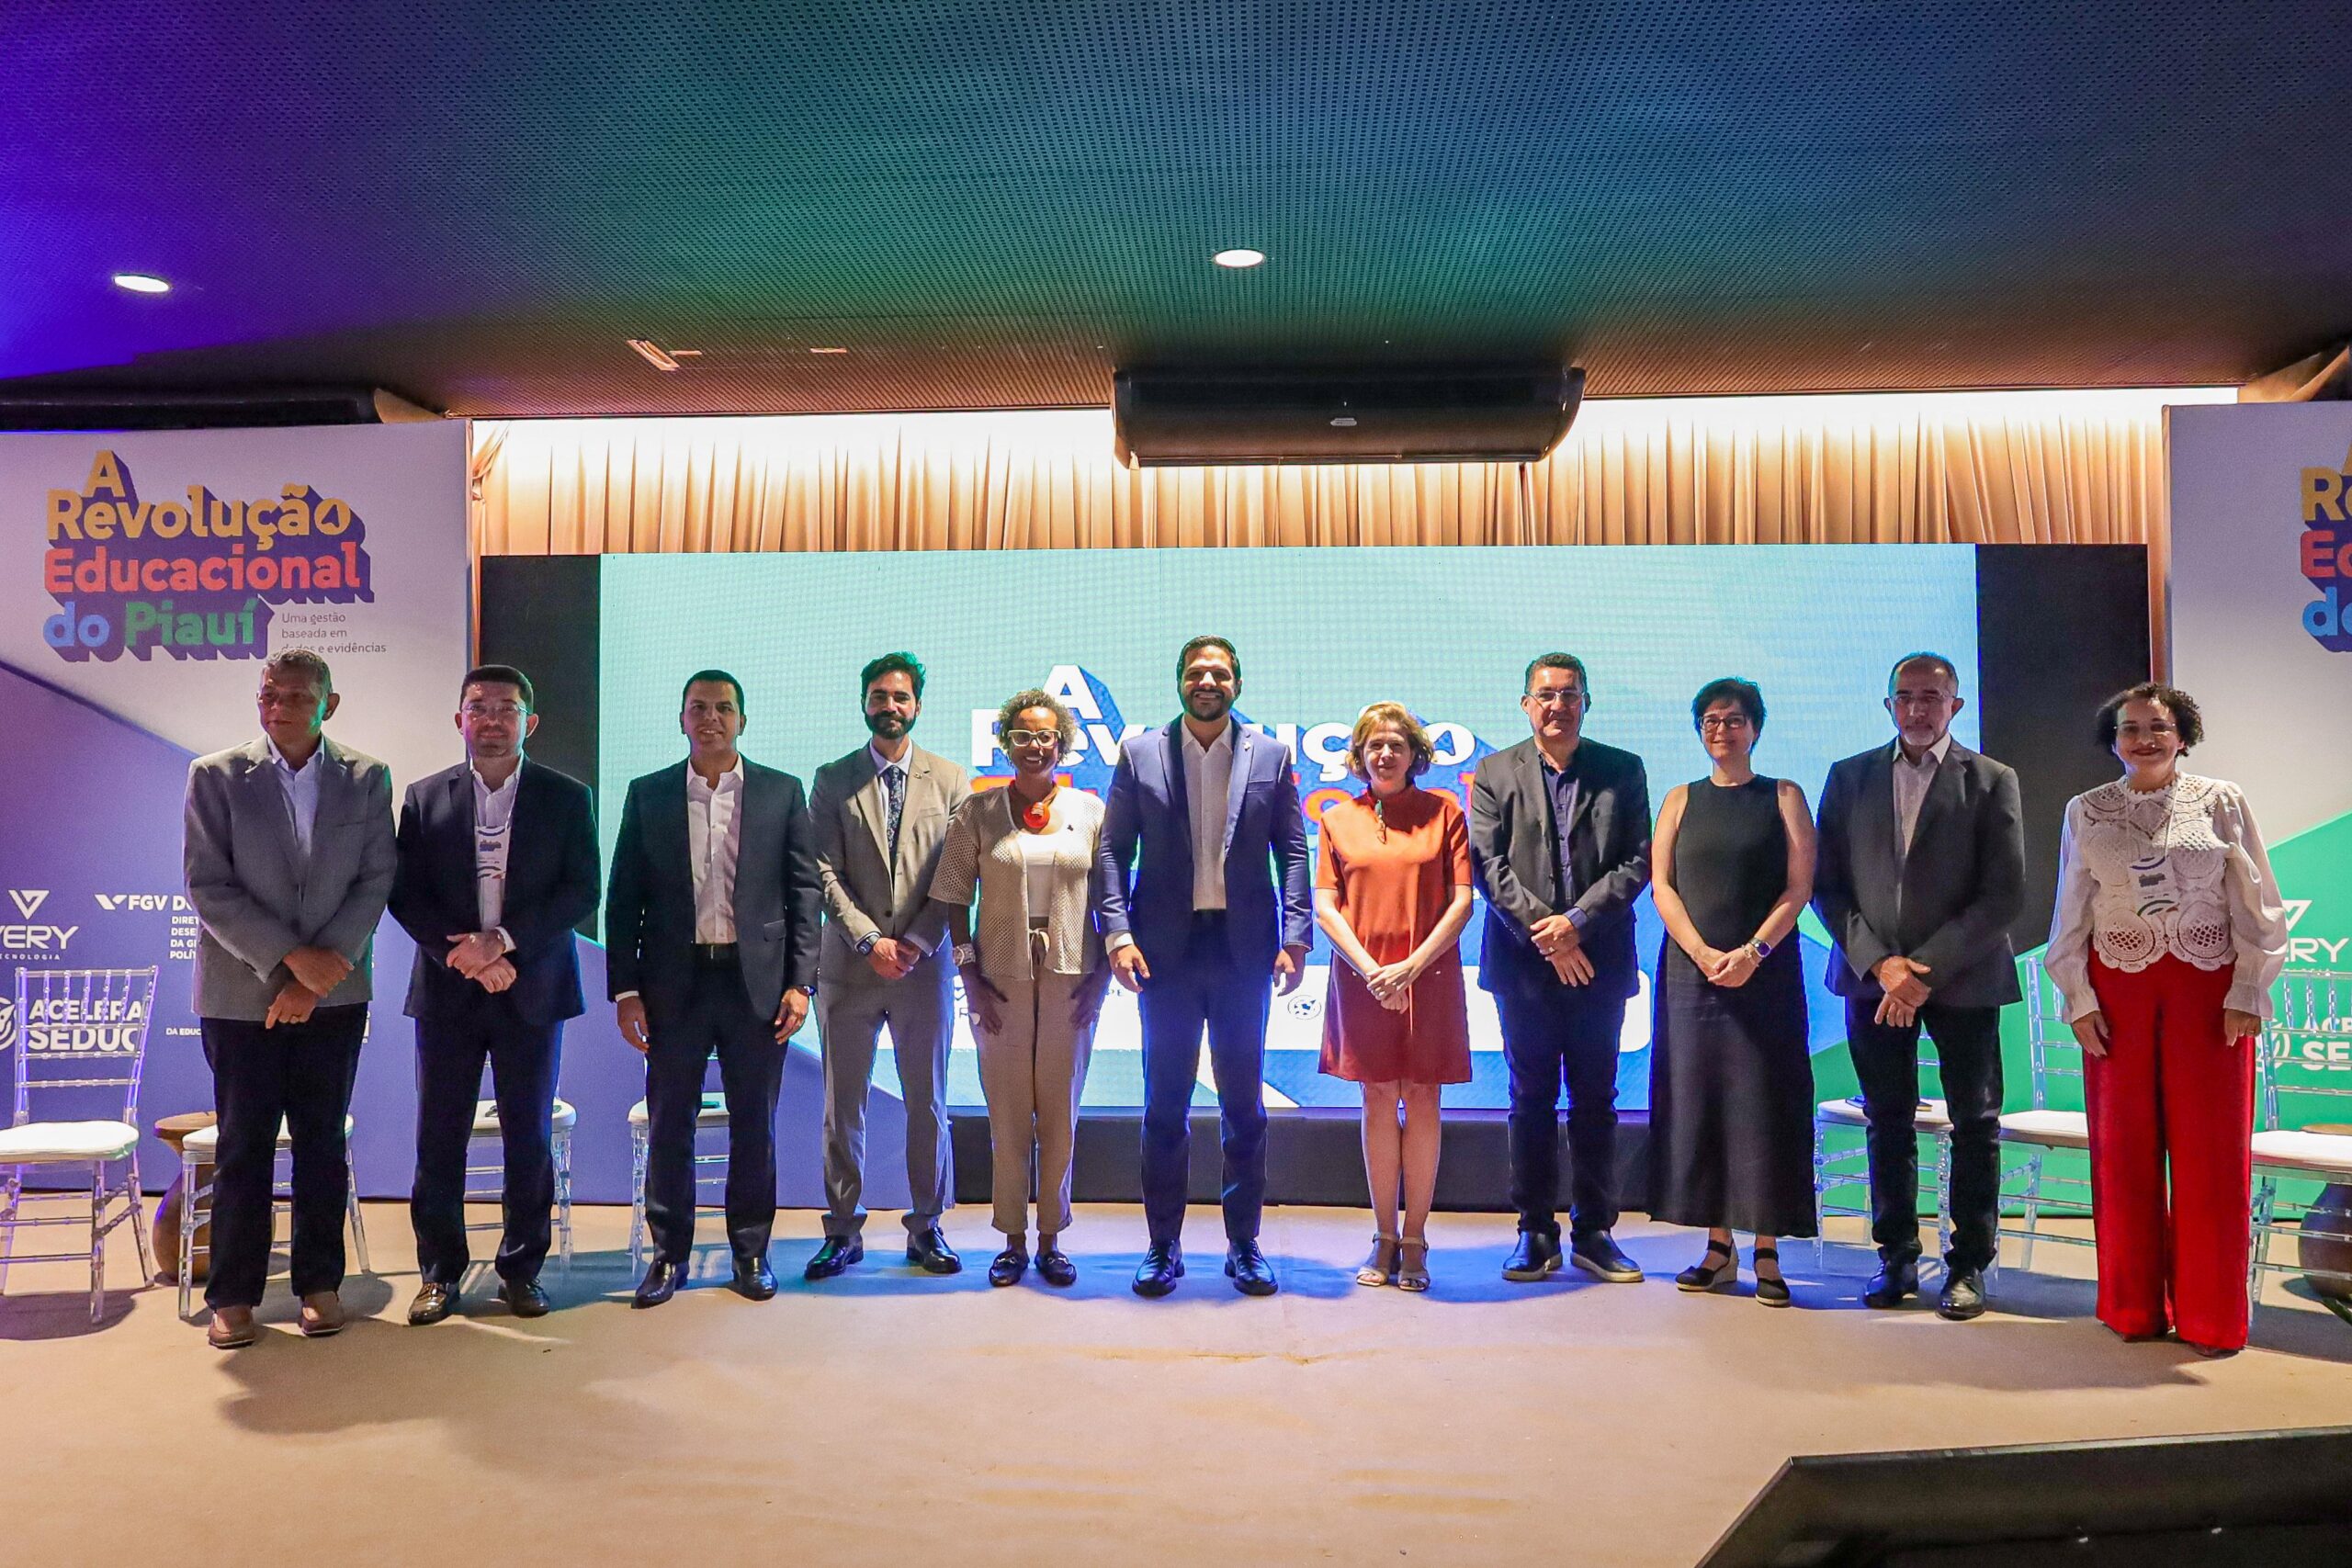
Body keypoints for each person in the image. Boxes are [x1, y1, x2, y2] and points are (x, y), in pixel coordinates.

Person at [2045, 682, 2289, 1357]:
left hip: (2209, 989)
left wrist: (2248, 987)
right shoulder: (2085, 809)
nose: (2144, 738)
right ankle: (2132, 1306)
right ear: (2113, 739)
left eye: (2158, 726)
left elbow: (2257, 899)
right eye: (2130, 728)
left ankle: (2212, 1318)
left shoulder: (2222, 800)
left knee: (2213, 1154)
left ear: (2183, 735)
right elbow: (2071, 907)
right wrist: (2078, 998)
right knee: (2122, 1149)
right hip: (2116, 989)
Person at [182, 649, 395, 1349]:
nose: (280, 707)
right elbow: (208, 885)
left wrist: (315, 978)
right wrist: (290, 963)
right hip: (241, 996)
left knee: (321, 1142)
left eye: (299, 696)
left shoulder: (367, 777)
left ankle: (319, 1284)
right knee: (244, 1145)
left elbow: (375, 879)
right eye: (270, 694)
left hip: (334, 994)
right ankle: (233, 1295)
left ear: (329, 704)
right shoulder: (214, 775)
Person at [1099, 635, 1314, 1297]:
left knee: (1243, 1107)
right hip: (1163, 955)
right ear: (1180, 681)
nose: (1208, 682)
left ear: (1237, 684)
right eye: (1197, 672)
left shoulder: (1270, 755)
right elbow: (1112, 850)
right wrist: (1117, 934)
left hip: (1243, 952)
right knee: (1164, 1106)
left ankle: (1243, 1243)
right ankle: (1163, 1245)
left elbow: (1293, 850)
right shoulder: (1140, 753)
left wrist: (1297, 936)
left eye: (1220, 673)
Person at [1813, 652, 2025, 1320]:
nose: (1917, 708)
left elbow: (2003, 893)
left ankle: (1968, 1265)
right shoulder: (1848, 776)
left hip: (1964, 979)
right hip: (1871, 980)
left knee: (1975, 1123)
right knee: (1888, 1119)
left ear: (1955, 705)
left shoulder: (1990, 779)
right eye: (1905, 696)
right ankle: (1896, 1256)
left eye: (1932, 696)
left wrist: (1920, 970)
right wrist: (1882, 967)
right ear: (1889, 705)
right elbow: (1827, 886)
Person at [390, 664, 598, 1325]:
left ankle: (521, 1270)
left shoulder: (567, 797)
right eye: (478, 707)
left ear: (529, 722)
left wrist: (502, 944)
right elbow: (405, 892)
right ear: (459, 720)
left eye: (507, 708)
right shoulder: (424, 797)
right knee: (439, 1136)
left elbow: (581, 890)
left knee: (527, 1135)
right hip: (448, 990)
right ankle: (439, 1273)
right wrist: (465, 957)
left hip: (531, 987)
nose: (492, 719)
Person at [605, 670, 821, 1307]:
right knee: (670, 1121)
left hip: (757, 987)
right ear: (681, 720)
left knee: (754, 1124)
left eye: (723, 708)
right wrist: (626, 990)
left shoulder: (781, 791)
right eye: (698, 708)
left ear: (742, 720)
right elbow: (624, 898)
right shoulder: (648, 793)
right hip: (674, 985)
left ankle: (750, 1251)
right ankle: (668, 1254)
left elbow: (804, 892)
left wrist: (801, 983)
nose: (710, 719)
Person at [1466, 653, 1651, 1285]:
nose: (1557, 705)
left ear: (1586, 703)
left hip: (1598, 960)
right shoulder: (1494, 771)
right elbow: (1487, 865)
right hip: (1523, 965)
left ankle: (1595, 1231)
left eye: (1570, 694)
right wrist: (1549, 933)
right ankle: (1534, 1230)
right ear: (1526, 704)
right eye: (1545, 694)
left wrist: (1576, 925)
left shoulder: (1623, 769)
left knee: (1597, 1099)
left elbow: (1637, 861)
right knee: (1530, 1098)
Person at [929, 690, 1114, 1287]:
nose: (1035, 746)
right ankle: (1011, 1239)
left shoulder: (1091, 811)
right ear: (1006, 743)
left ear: (1062, 743)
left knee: (1059, 1114)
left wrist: (1103, 978)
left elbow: (1113, 900)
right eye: (1022, 735)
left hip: (1072, 977)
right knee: (1007, 1117)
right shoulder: (977, 812)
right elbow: (953, 898)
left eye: (1045, 735)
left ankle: (1052, 1238)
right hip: (999, 979)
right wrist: (970, 978)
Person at [1647, 678, 1817, 1307]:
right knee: (1704, 1105)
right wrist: (1701, 952)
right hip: (1692, 976)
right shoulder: (1679, 799)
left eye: (1735, 719)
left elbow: (1799, 888)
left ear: (1756, 728)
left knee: (1764, 1104)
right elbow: (1662, 886)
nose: (1722, 730)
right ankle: (1718, 1248)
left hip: (1764, 975)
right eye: (1711, 720)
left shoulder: (1784, 795)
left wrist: (1753, 953)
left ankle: (1767, 1249)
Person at [806, 653, 970, 1280]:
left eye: (901, 697)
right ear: (864, 702)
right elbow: (822, 870)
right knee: (842, 1106)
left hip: (922, 971)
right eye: (879, 696)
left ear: (917, 705)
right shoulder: (832, 778)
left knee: (927, 1103)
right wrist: (869, 939)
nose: (890, 706)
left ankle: (927, 1226)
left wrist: (918, 941)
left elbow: (957, 873)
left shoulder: (951, 779)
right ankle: (842, 1229)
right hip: (848, 969)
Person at [1313, 703, 1475, 1292]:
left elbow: (1462, 901)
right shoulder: (1337, 819)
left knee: (1423, 1098)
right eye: (1374, 745)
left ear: (1415, 754)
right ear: (1359, 755)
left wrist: (1409, 968)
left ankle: (1416, 1239)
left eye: (1396, 745)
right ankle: (1383, 1235)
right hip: (1362, 981)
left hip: (1429, 976)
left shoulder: (1445, 812)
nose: (1385, 754)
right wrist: (1373, 972)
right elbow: (1326, 906)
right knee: (1378, 1097)